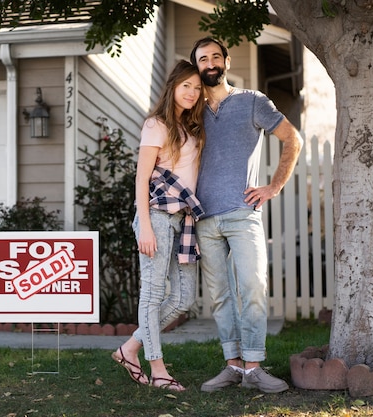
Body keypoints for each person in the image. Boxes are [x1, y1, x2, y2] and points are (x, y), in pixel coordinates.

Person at [190, 36, 303, 394]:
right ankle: (232, 366)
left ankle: (254, 366)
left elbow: (292, 138)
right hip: (204, 218)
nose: (209, 63)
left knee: (253, 287)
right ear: (196, 67)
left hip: (242, 213)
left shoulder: (253, 101)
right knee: (220, 296)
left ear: (225, 61)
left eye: (214, 57)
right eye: (202, 59)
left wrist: (274, 186)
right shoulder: (190, 110)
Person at [111, 60, 206, 392]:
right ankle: (158, 371)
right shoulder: (157, 125)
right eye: (186, 86)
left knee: (183, 299)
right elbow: (141, 179)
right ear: (172, 87)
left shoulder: (191, 128)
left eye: (197, 88)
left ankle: (129, 350)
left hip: (184, 222)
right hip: (158, 217)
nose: (192, 93)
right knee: (151, 296)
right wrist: (146, 226)